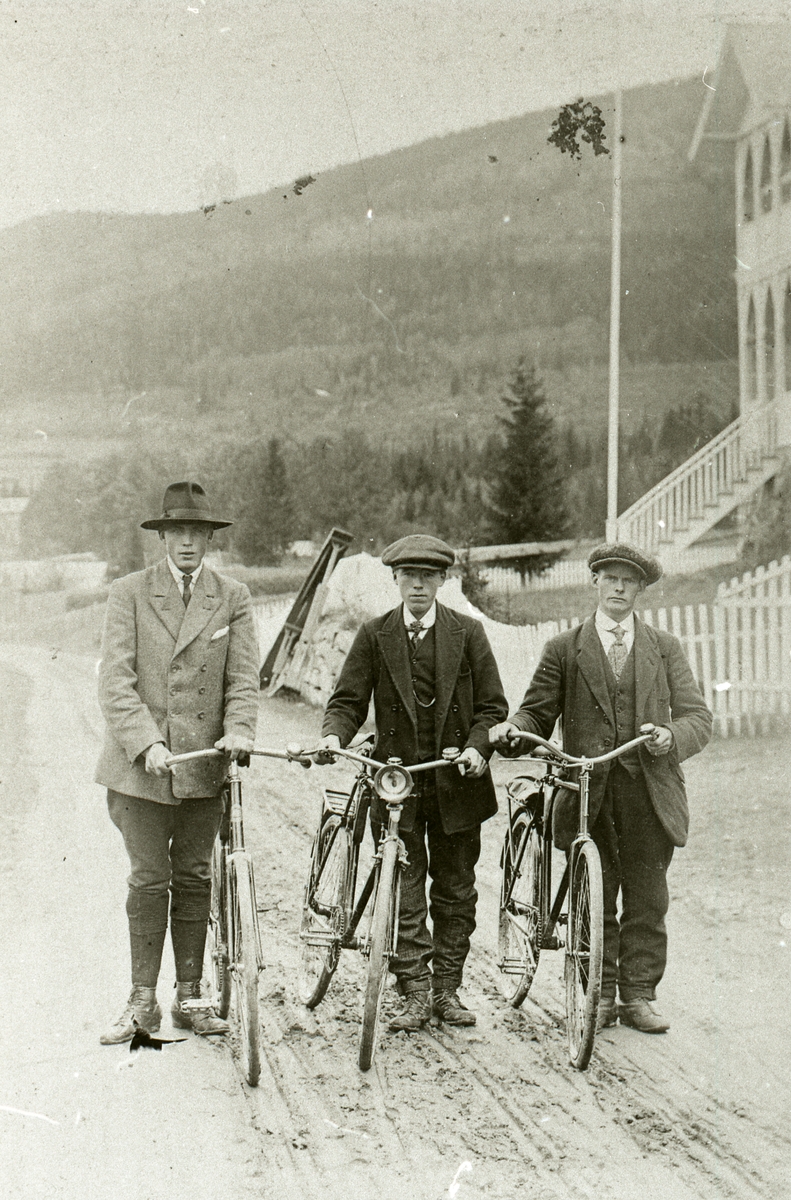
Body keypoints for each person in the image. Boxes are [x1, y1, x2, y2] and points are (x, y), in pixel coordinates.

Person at [490, 543, 711, 1034]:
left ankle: (638, 995)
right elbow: (537, 714)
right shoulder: (564, 649)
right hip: (587, 791)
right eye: (609, 578)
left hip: (650, 793)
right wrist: (513, 729)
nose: (618, 588)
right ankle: (601, 993)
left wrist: (671, 735)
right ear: (594, 582)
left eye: (628, 581)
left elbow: (699, 717)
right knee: (597, 892)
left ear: (639, 590)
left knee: (648, 898)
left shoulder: (665, 648)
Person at [316, 534, 508, 1032]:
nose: (418, 585)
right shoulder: (375, 635)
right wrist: (334, 737)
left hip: (456, 783)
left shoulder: (468, 633)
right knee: (401, 885)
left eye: (428, 576)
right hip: (396, 782)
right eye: (408, 576)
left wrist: (475, 747)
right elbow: (347, 702)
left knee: (456, 889)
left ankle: (446, 989)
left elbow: (492, 707)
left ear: (443, 580)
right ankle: (414, 990)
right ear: (396, 580)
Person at [96, 481, 259, 1044]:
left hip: (202, 768)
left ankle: (190, 998)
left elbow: (242, 679)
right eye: (178, 532)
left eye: (198, 532)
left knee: (195, 878)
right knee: (149, 879)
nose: (188, 542)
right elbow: (115, 682)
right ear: (162, 536)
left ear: (209, 539)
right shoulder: (129, 592)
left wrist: (239, 731)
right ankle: (142, 1002)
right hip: (141, 771)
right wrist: (148, 744)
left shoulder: (231, 595)